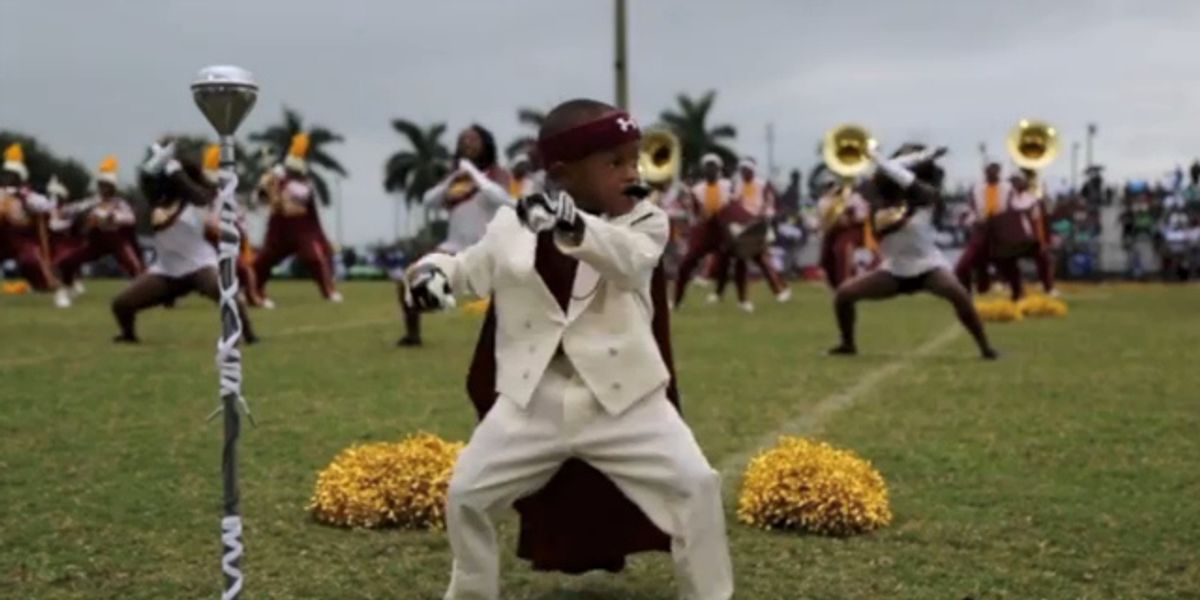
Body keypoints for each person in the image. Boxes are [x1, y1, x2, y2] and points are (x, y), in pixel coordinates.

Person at [405, 98, 732, 600]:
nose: (633, 172)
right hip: (533, 402)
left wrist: (573, 227)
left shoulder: (646, 221)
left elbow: (629, 263)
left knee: (697, 485)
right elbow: (469, 270)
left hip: (626, 401)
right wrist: (430, 273)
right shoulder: (511, 225)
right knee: (466, 495)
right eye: (615, 162)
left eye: (634, 158)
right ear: (564, 172)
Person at [828, 144, 998, 360]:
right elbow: (879, 199)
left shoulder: (927, 195)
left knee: (959, 294)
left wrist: (900, 161)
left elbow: (907, 182)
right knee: (843, 295)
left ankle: (986, 348)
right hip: (894, 270)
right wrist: (911, 159)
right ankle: (847, 344)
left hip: (928, 267)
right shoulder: (879, 199)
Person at [110, 139, 256, 344]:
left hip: (199, 266)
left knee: (227, 294)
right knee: (121, 304)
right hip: (166, 271)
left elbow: (202, 198)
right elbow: (147, 183)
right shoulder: (158, 203)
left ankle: (249, 335)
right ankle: (128, 334)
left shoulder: (195, 200)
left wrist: (178, 173)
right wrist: (162, 163)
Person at [396, 124, 511, 347]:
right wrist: (453, 177)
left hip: (489, 250)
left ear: (485, 144)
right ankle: (413, 335)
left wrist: (474, 174)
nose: (467, 144)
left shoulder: (497, 174)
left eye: (473, 140)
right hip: (455, 248)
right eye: (463, 140)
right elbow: (429, 201)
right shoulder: (455, 178)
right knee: (410, 279)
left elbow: (500, 198)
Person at [252, 133, 341, 307]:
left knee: (314, 259)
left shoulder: (303, 186)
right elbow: (261, 201)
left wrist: (278, 193)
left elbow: (293, 209)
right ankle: (254, 291)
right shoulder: (275, 178)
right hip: (278, 232)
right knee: (263, 262)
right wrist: (267, 188)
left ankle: (328, 291)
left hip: (302, 232)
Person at [711, 157, 791, 311]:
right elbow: (733, 203)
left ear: (752, 170)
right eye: (742, 170)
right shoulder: (738, 185)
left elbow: (769, 204)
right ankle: (744, 299)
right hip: (742, 227)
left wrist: (762, 217)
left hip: (757, 226)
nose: (744, 173)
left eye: (747, 170)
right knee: (742, 260)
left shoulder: (762, 184)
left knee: (761, 259)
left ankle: (779, 290)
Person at [55, 156, 144, 292]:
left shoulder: (119, 203)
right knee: (67, 261)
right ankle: (69, 287)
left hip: (117, 242)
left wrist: (113, 217)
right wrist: (64, 211)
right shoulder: (92, 202)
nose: (103, 188)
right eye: (101, 184)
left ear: (112, 187)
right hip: (96, 242)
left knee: (134, 266)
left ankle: (142, 290)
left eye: (106, 185)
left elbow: (130, 218)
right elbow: (75, 208)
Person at [0, 143, 70, 307]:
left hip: (23, 239)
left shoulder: (27, 195)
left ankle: (57, 290)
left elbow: (46, 206)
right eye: (6, 174)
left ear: (19, 177)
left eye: (12, 174)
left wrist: (46, 197)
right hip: (2, 237)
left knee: (31, 261)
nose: (7, 178)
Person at [672, 153, 732, 307]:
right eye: (707, 167)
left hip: (722, 228)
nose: (710, 170)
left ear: (718, 169)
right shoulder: (698, 189)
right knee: (687, 262)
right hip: (705, 229)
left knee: (724, 261)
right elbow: (695, 213)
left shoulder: (727, 185)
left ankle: (718, 294)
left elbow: (732, 205)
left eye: (713, 167)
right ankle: (677, 299)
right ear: (704, 170)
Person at [954, 162, 1010, 294]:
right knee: (965, 264)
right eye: (989, 171)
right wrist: (967, 220)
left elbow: (1012, 208)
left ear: (999, 172)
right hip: (981, 228)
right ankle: (968, 290)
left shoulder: (1007, 188)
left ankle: (991, 287)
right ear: (985, 172)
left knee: (1002, 261)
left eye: (995, 171)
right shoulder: (978, 188)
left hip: (1000, 229)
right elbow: (972, 208)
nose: (991, 174)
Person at [1002, 169, 1057, 297]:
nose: (1015, 184)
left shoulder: (1032, 200)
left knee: (1044, 258)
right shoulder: (1006, 200)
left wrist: (1042, 241)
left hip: (1029, 239)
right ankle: (1013, 287)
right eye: (1013, 181)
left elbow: (1038, 222)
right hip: (1012, 240)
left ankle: (1048, 287)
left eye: (1017, 181)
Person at [817, 176, 873, 289]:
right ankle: (835, 283)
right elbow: (823, 219)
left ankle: (845, 282)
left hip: (851, 231)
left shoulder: (855, 198)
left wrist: (850, 218)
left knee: (843, 248)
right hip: (832, 232)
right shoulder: (825, 200)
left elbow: (863, 215)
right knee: (827, 258)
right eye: (829, 187)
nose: (831, 189)